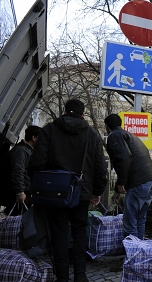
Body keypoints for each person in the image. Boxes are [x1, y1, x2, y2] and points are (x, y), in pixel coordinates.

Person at [28, 99, 108, 282]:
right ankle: (80, 275)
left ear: (64, 111)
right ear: (83, 114)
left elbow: (37, 162)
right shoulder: (92, 134)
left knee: (59, 233)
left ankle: (62, 276)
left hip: (55, 192)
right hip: (82, 192)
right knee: (80, 231)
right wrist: (97, 191)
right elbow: (100, 168)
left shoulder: (49, 130)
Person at [104, 114, 152, 240]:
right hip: (150, 179)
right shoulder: (130, 135)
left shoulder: (114, 135)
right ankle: (139, 250)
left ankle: (132, 252)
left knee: (130, 220)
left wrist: (121, 183)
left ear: (107, 126)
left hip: (138, 180)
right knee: (140, 217)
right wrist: (118, 190)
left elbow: (124, 159)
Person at [2, 125, 41, 215]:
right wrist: (20, 191)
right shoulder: (20, 151)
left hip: (24, 194)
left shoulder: (26, 151)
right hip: (18, 195)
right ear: (34, 138)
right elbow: (17, 171)